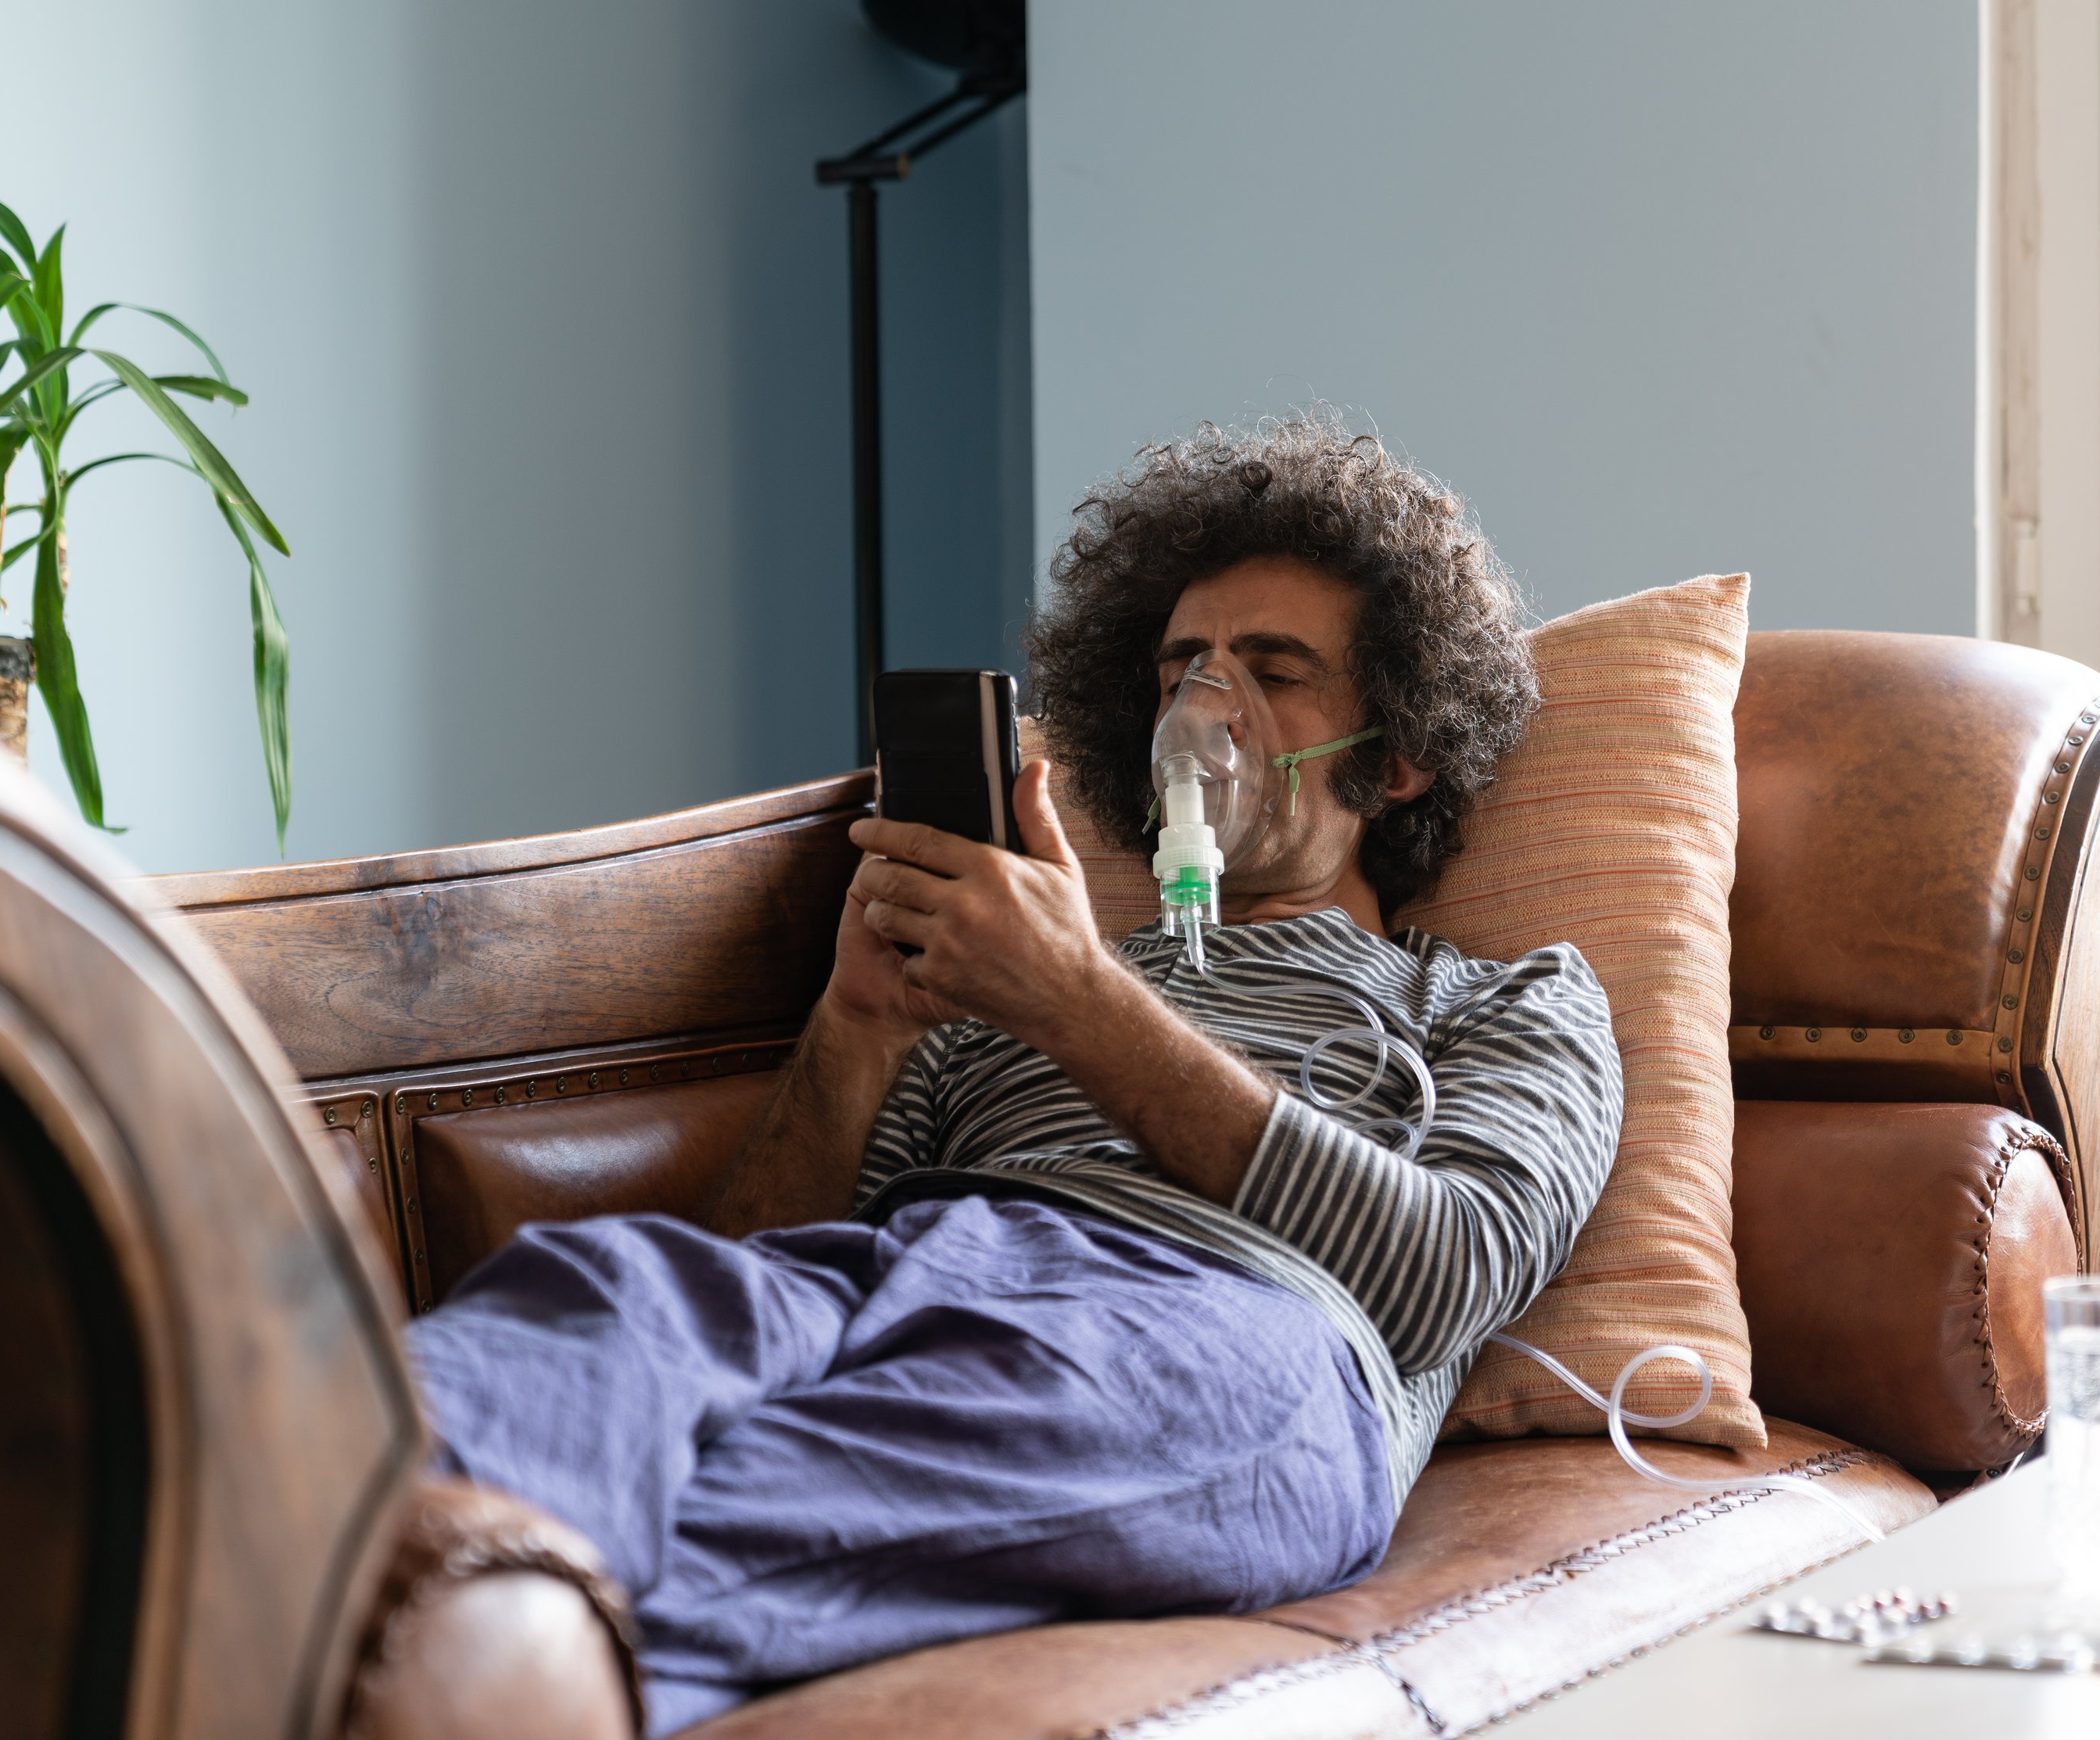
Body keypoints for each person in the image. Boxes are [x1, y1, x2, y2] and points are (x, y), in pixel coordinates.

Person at [405, 420, 1624, 1731]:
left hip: (1239, 1331)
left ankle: (425, 1643)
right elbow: (771, 1259)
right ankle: (291, 1548)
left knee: (826, 1465)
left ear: (1395, 754)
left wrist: (1082, 1001)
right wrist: (857, 1030)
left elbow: (1437, 1276)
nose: (1206, 709)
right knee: (606, 1291)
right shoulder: (999, 989)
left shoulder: (1506, 999)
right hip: (918, 1260)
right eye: (1182, 667)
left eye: (1275, 671)